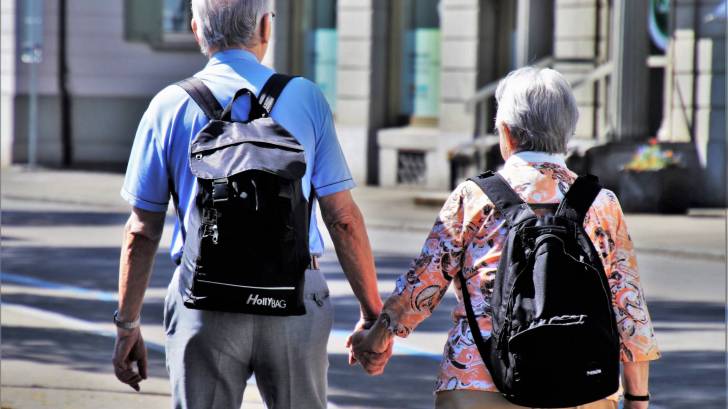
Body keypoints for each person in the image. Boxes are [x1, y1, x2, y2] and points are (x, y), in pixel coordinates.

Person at [111, 1, 389, 408]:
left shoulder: (167, 106)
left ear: (195, 30)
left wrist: (128, 324)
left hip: (204, 301)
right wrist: (371, 312)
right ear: (264, 27)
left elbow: (142, 230)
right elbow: (342, 218)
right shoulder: (306, 98)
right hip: (295, 297)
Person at [350, 67, 660, 409]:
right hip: (581, 386)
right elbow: (629, 308)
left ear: (506, 133)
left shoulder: (473, 197)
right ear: (568, 133)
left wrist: (378, 337)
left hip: (477, 383)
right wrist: (637, 397)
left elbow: (422, 286)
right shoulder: (602, 204)